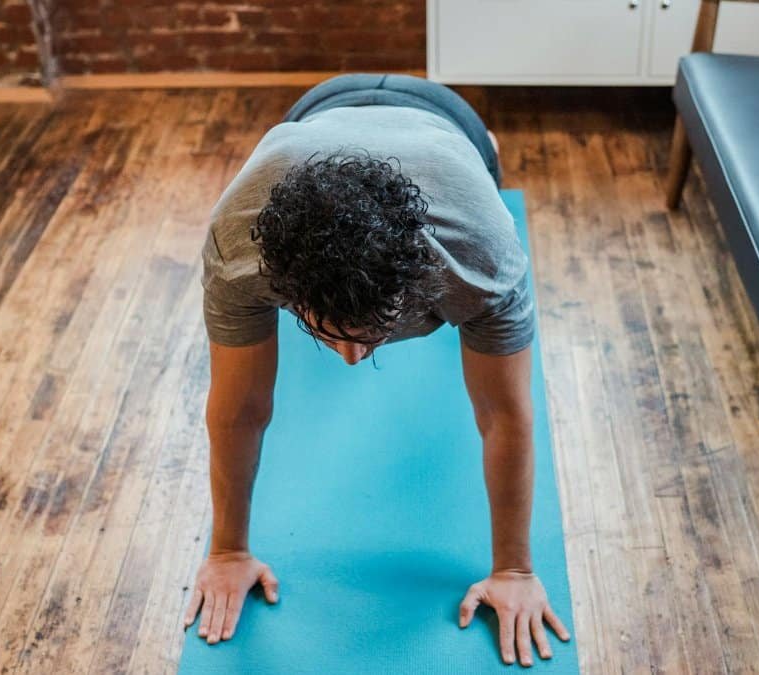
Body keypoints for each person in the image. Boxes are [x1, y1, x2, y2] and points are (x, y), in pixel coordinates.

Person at [182, 74, 571, 668]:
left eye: (374, 336)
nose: (353, 359)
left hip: (448, 123)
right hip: (316, 113)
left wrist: (515, 568)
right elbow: (239, 410)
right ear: (284, 289)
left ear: (416, 289)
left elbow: (504, 415)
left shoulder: (480, 255)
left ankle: (483, 145)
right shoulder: (241, 249)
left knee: (483, 166)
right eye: (329, 334)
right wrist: (228, 550)